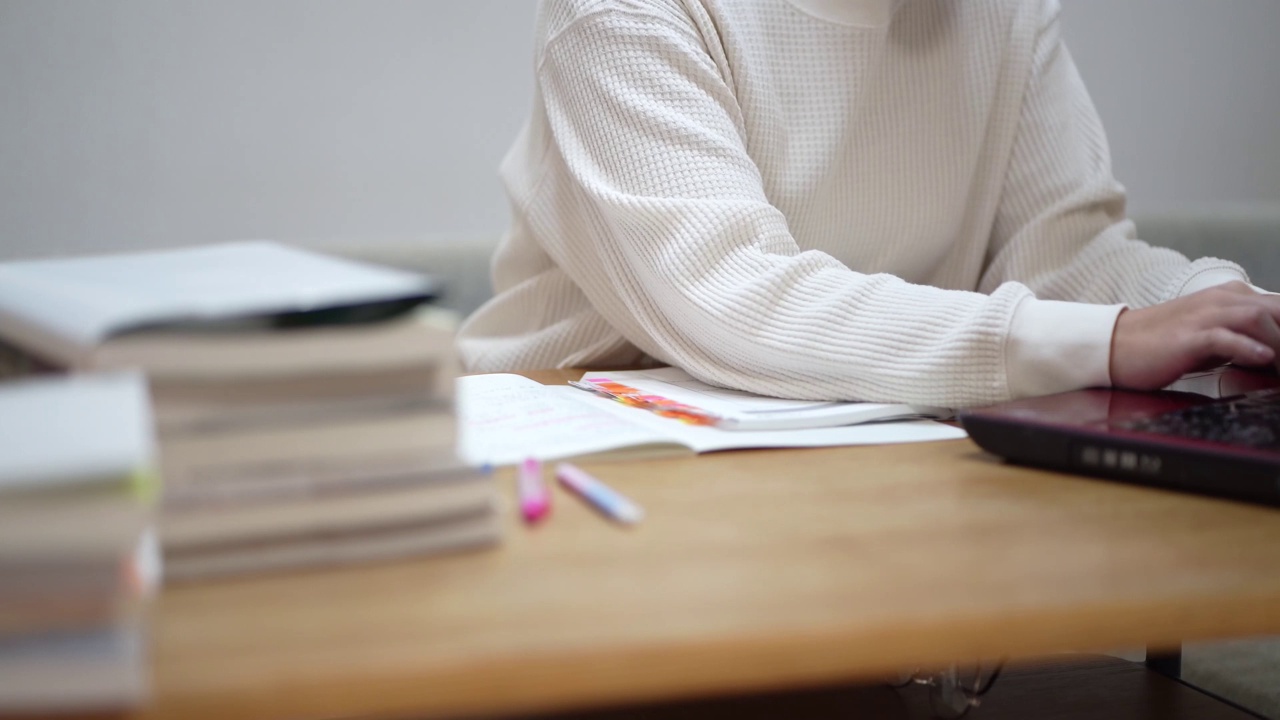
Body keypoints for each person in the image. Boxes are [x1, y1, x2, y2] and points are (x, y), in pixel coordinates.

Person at [457, 0, 1280, 407]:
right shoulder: (627, 10)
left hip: (869, 444)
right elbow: (732, 297)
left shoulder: (1001, 14)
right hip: (584, 451)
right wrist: (1106, 338)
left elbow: (1065, 253)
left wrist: (1215, 310)